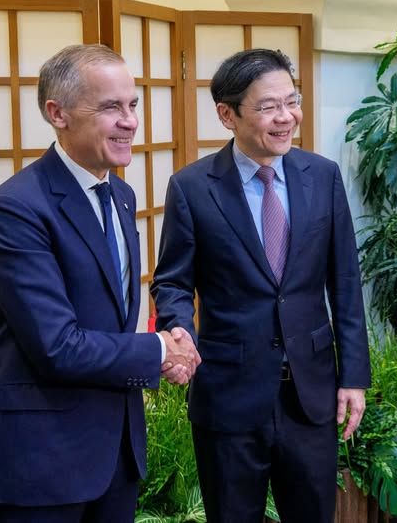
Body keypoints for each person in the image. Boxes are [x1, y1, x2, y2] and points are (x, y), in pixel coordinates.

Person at [0, 44, 200, 523]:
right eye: (111, 107)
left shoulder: (121, 194)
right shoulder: (16, 209)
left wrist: (170, 344)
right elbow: (57, 345)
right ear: (58, 113)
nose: (130, 121)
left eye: (133, 105)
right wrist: (159, 351)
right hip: (38, 468)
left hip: (114, 458)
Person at [151, 48, 371, 523]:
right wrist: (176, 329)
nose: (286, 117)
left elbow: (346, 283)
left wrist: (353, 375)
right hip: (229, 394)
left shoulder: (323, 176)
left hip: (310, 395)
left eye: (292, 102)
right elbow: (171, 281)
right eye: (269, 107)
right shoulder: (192, 187)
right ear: (226, 114)